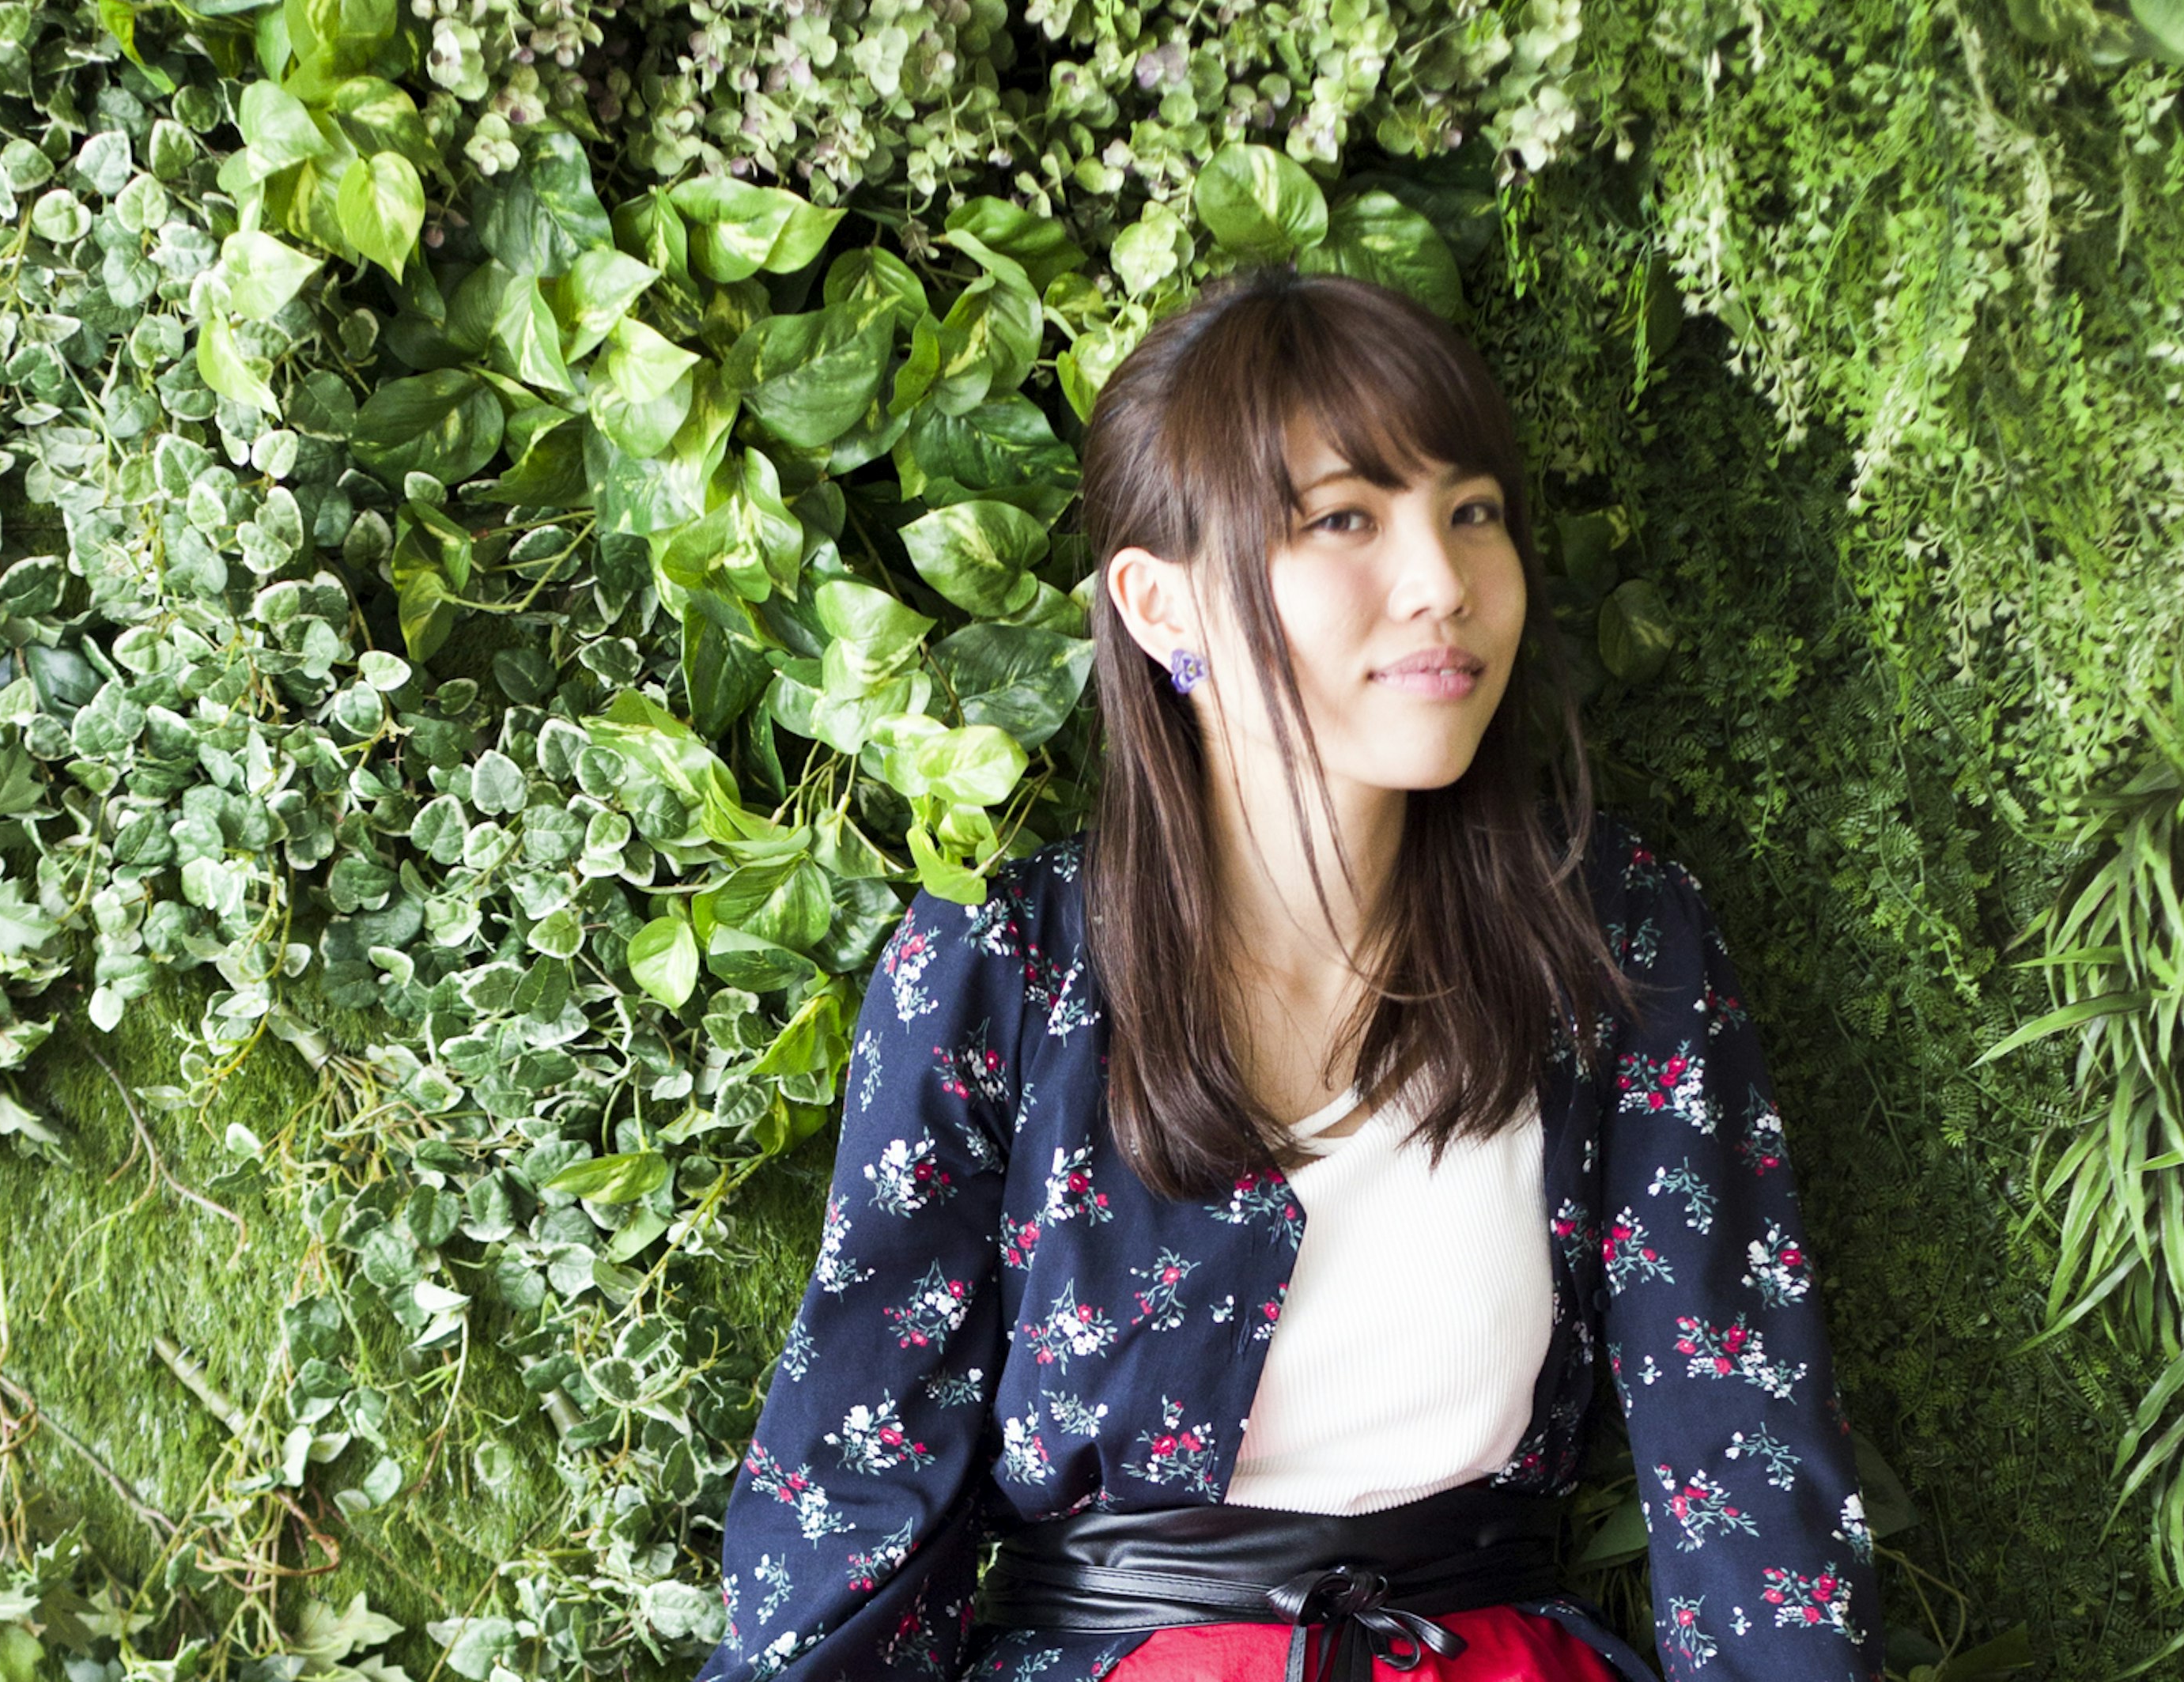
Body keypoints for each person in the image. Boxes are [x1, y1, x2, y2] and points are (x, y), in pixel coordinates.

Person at [693, 266, 1884, 1682]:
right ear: (1160, 601)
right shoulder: (1001, 972)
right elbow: (853, 1503)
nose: (1441, 582)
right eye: (1343, 520)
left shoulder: (1612, 941)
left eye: (1473, 512)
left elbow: (1745, 1466)